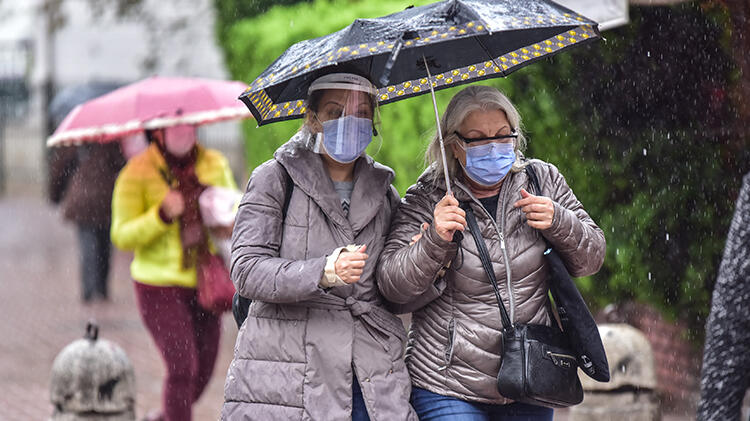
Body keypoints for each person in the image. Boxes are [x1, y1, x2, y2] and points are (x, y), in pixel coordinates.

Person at [377, 85, 606, 421]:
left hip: (533, 373)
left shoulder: (543, 180)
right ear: (454, 146)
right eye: (478, 139)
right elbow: (392, 288)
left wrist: (559, 221)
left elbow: (592, 258)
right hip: (448, 381)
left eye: (503, 136)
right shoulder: (428, 198)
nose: (494, 146)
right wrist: (434, 242)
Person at [221, 72, 417, 421]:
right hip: (291, 372)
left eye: (361, 112)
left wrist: (427, 253)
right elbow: (247, 270)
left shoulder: (385, 192)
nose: (349, 122)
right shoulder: (275, 178)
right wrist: (323, 272)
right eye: (335, 111)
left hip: (369, 376)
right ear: (312, 118)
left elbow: (395, 295)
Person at [110, 123, 237, 421]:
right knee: (182, 369)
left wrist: (222, 219)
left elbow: (234, 209)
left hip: (206, 281)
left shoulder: (213, 163)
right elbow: (121, 235)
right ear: (157, 132)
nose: (184, 131)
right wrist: (161, 215)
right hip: (158, 285)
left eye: (188, 124)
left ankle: (165, 417)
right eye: (175, 126)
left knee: (203, 372)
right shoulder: (137, 172)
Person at [49, 141, 127, 302]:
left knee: (88, 246)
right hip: (106, 199)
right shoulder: (109, 142)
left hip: (82, 200)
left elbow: (59, 170)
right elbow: (121, 165)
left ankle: (89, 289)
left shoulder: (73, 142)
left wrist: (55, 195)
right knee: (105, 246)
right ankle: (102, 288)